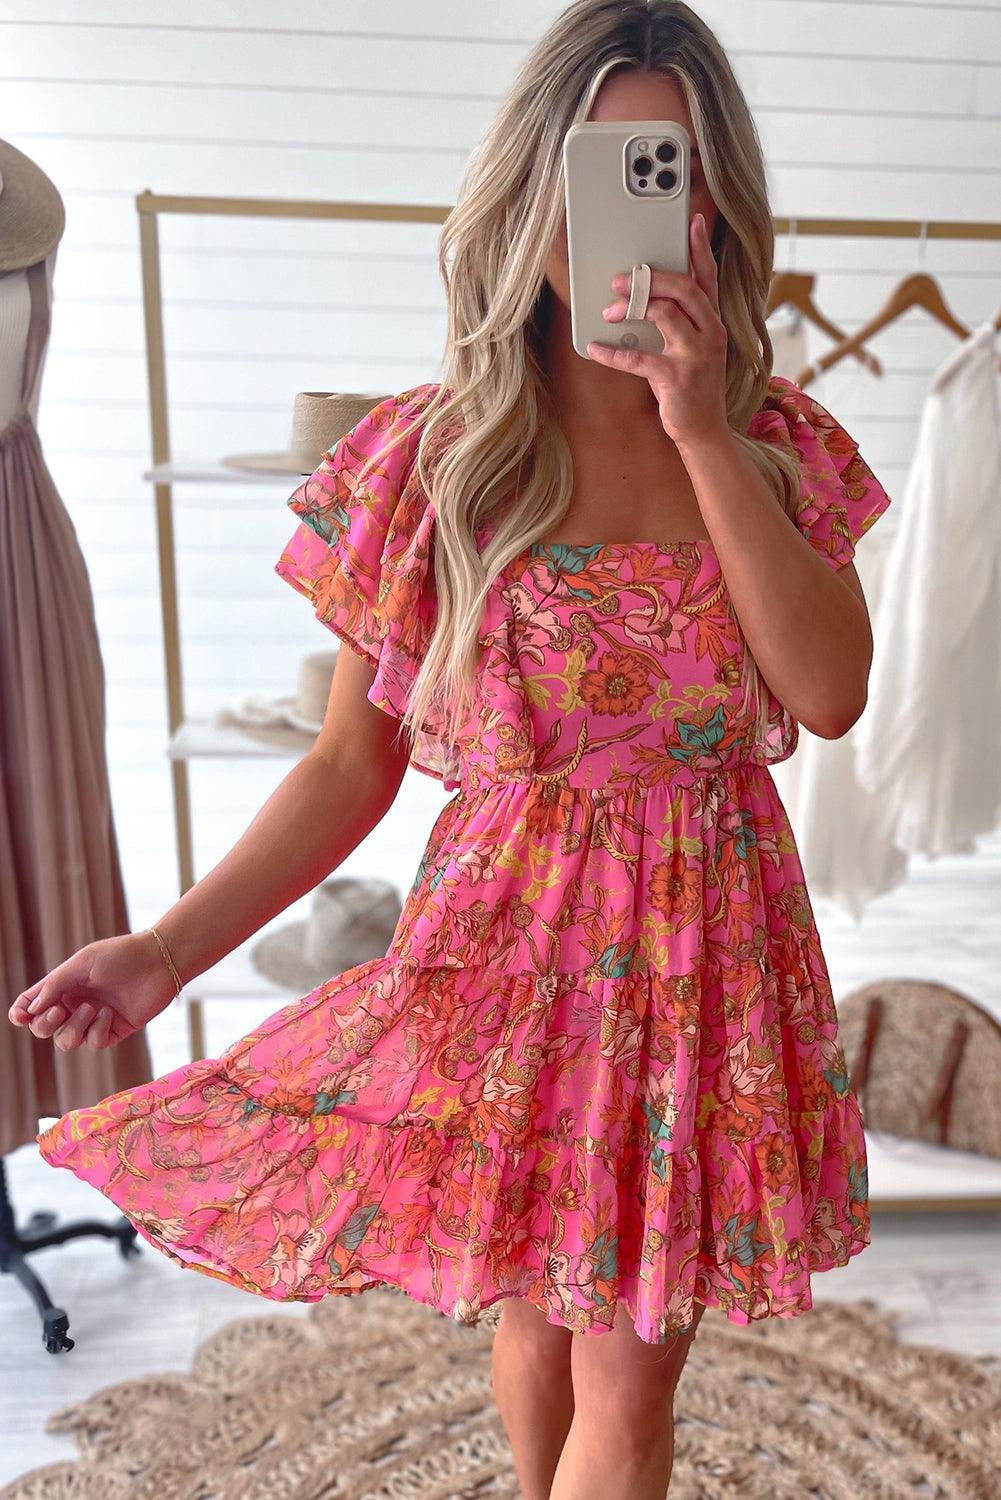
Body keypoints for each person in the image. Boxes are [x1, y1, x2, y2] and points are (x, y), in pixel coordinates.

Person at [8, 3, 891, 1496]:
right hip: (504, 957)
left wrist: (697, 428)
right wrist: (163, 952)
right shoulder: (439, 460)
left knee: (626, 1367)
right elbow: (345, 768)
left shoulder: (776, 442)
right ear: (533, 188)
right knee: (536, 1316)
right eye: (598, 169)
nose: (626, 213)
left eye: (664, 170)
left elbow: (830, 692)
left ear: (716, 203)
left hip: (703, 960)